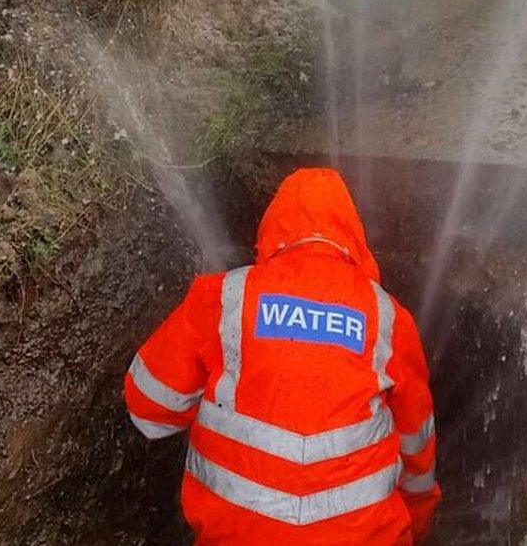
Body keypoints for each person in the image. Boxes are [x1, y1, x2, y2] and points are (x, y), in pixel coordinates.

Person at [124, 168, 440, 545]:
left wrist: (223, 400)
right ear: (354, 237)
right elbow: (416, 449)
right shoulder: (388, 318)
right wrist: (417, 523)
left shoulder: (223, 297)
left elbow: (148, 409)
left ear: (272, 231)